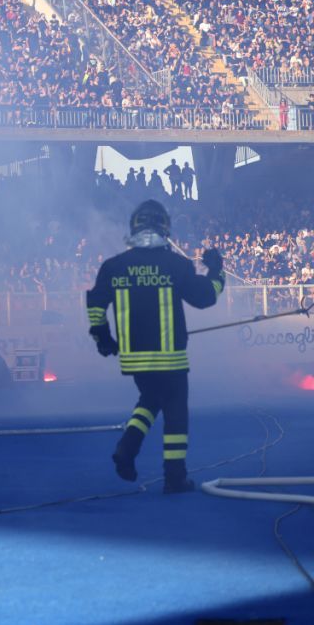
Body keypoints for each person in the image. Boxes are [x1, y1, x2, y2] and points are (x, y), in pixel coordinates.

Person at [85, 200, 225, 493]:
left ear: (133, 228)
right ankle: (174, 477)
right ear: (165, 228)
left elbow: (95, 303)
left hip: (135, 360)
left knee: (150, 400)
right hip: (170, 358)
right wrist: (216, 270)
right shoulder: (177, 264)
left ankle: (127, 446)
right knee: (175, 414)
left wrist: (103, 337)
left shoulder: (113, 266)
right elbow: (205, 298)